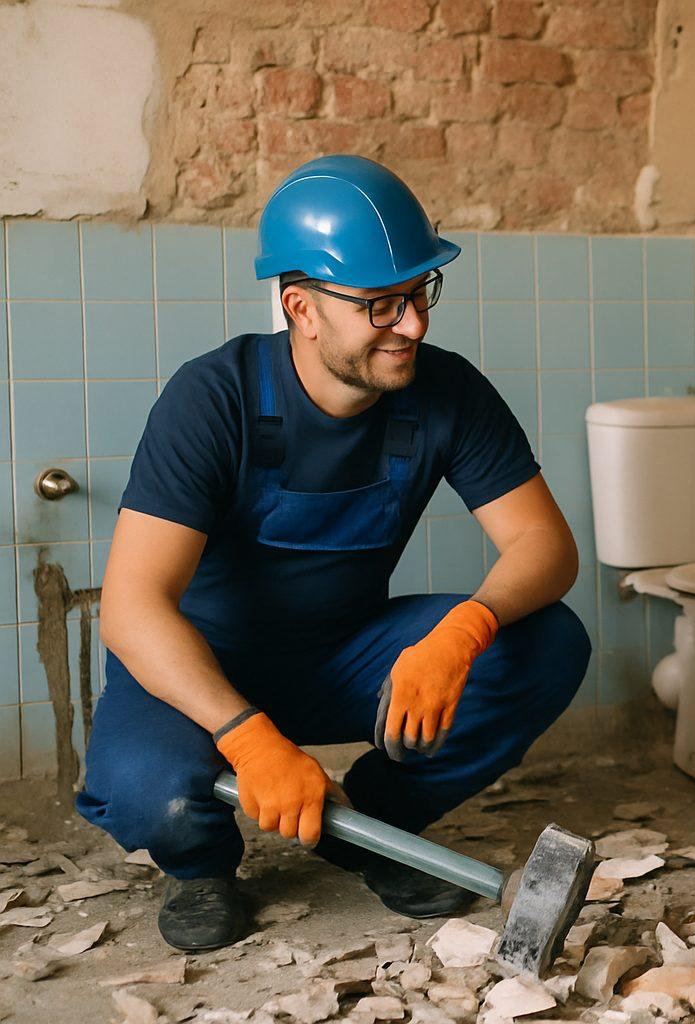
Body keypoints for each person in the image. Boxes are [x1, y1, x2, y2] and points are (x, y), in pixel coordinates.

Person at [75, 155, 591, 953]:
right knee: (156, 799)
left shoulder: (446, 392)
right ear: (301, 308)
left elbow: (545, 545)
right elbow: (134, 605)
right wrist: (246, 737)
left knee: (548, 640)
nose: (413, 324)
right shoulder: (213, 399)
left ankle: (370, 822)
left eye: (420, 294)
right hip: (202, 672)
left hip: (342, 656)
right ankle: (205, 866)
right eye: (382, 305)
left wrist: (465, 632)